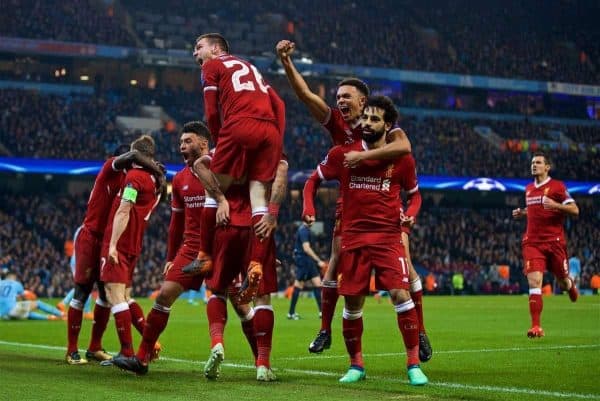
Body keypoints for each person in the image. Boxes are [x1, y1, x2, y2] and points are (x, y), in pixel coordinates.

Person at [276, 40, 419, 355]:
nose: (339, 101)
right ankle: (325, 330)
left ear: (363, 100)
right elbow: (305, 95)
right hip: (351, 205)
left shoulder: (387, 127)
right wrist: (287, 62)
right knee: (334, 263)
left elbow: (404, 148)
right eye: (337, 96)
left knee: (408, 268)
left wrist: (363, 158)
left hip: (384, 205)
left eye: (346, 97)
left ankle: (418, 333)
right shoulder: (337, 124)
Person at [305, 96, 428, 385]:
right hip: (354, 238)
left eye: (375, 119)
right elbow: (313, 180)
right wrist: (308, 207)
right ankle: (356, 365)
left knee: (400, 295)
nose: (368, 123)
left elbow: (416, 195)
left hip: (387, 238)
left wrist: (410, 213)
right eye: (366, 118)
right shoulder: (341, 154)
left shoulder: (401, 159)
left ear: (388, 125)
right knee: (352, 304)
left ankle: (413, 364)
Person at [112, 122, 216, 375]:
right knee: (163, 295)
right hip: (191, 249)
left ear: (203, 143)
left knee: (241, 304)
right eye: (180, 142)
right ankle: (142, 358)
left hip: (222, 245)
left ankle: (262, 361)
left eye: (187, 141)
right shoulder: (179, 179)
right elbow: (175, 224)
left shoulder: (222, 167)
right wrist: (171, 257)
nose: (181, 146)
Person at [189, 33, 286, 305]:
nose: (196, 55)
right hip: (270, 131)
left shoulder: (213, 66)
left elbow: (210, 111)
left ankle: (204, 255)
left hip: (239, 125)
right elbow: (279, 104)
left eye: (199, 48)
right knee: (258, 200)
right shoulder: (251, 67)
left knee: (211, 188)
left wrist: (219, 143)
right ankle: (256, 262)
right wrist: (278, 139)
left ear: (216, 49)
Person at [187, 151, 288, 382]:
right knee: (262, 298)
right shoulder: (268, 146)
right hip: (258, 222)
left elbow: (200, 164)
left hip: (225, 223)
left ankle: (217, 342)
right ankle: (263, 364)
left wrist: (220, 198)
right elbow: (280, 177)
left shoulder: (225, 147)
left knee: (218, 290)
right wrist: (272, 215)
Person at [66, 139, 165, 365]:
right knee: (81, 291)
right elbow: (132, 158)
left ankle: (95, 347)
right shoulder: (110, 167)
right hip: (91, 237)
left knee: (106, 295)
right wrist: (156, 171)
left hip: (111, 241)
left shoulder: (130, 180)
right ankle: (72, 350)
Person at [100, 135, 162, 359]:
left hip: (122, 241)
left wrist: (113, 245)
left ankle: (126, 351)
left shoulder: (134, 178)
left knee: (113, 294)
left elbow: (124, 209)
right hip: (135, 242)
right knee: (125, 295)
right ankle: (150, 344)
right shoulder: (155, 181)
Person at [512, 151, 579, 338]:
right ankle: (536, 327)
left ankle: (570, 284)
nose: (534, 165)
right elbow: (537, 209)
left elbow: (575, 209)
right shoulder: (528, 189)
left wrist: (556, 205)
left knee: (562, 282)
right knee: (534, 282)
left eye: (539, 162)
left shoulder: (557, 187)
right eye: (533, 162)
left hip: (554, 243)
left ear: (547, 167)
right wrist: (523, 213)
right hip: (532, 242)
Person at [287, 222, 325, 320]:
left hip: (307, 260)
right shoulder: (303, 230)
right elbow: (306, 248)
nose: (314, 219)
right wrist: (318, 261)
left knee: (317, 283)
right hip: (304, 260)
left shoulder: (305, 230)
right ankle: (291, 313)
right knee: (298, 285)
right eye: (311, 216)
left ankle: (322, 312)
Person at [57, 226, 93, 320]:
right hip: (80, 259)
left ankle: (64, 303)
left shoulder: (80, 229)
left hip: (76, 258)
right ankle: (87, 311)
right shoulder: (88, 229)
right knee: (86, 284)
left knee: (83, 285)